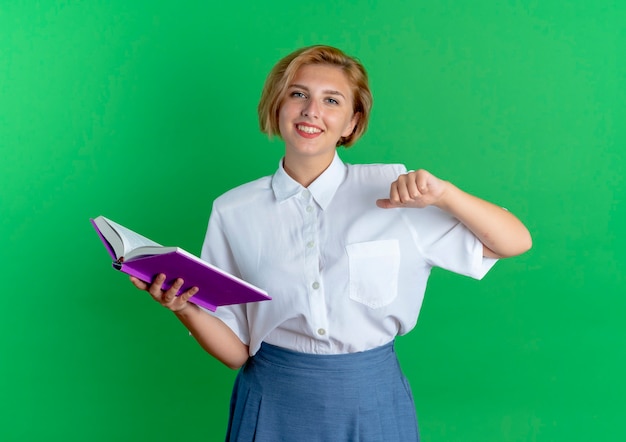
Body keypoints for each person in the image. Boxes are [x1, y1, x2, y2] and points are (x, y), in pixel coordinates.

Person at [130, 45, 532, 441]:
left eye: (332, 100)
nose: (311, 111)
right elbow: (237, 352)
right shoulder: (233, 210)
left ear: (352, 123)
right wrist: (184, 308)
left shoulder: (397, 194)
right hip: (271, 401)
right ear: (277, 105)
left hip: (373, 401)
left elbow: (515, 241)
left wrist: (445, 194)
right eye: (298, 94)